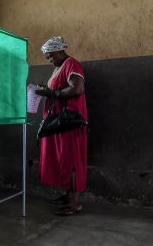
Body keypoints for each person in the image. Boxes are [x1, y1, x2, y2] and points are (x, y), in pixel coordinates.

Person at [35, 37, 88, 216]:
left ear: (59, 51)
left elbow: (77, 88)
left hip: (69, 122)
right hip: (59, 122)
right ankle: (68, 196)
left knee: (71, 161)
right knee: (64, 159)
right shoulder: (59, 68)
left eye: (50, 56)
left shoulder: (71, 64)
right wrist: (47, 90)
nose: (49, 60)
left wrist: (54, 93)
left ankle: (75, 203)